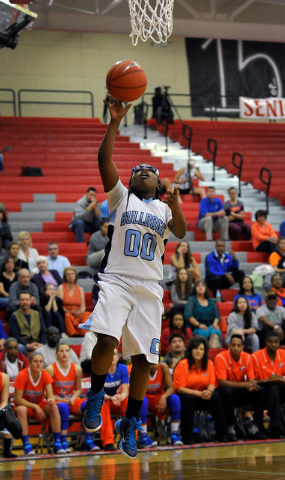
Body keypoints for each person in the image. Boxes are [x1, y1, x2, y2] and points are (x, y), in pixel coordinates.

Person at [79, 95, 187, 460]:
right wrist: (115, 120)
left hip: (149, 289)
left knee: (144, 361)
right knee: (107, 339)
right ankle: (95, 395)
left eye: (150, 169)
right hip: (117, 280)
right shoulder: (121, 198)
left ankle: (131, 421)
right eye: (137, 167)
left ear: (158, 184)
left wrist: (175, 206)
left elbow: (183, 233)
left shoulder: (163, 205)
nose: (142, 168)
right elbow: (103, 159)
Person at [46, 343, 99, 453]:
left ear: (70, 353)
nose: (64, 353)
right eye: (61, 351)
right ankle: (63, 441)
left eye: (66, 350)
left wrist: (73, 398)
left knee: (90, 406)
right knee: (64, 407)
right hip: (57, 400)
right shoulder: (50, 369)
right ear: (56, 354)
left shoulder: (77, 369)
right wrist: (61, 400)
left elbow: (78, 389)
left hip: (71, 399)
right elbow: (46, 393)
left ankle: (89, 440)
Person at [173, 336, 227, 444]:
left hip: (203, 396)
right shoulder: (182, 364)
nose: (198, 351)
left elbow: (211, 384)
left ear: (204, 352)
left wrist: (209, 392)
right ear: (190, 350)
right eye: (196, 348)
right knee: (187, 400)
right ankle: (186, 437)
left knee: (216, 397)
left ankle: (222, 435)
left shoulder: (209, 364)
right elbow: (180, 388)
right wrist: (198, 393)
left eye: (201, 349)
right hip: (188, 396)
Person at [215, 334, 266, 441]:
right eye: (233, 345)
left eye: (238, 345)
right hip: (225, 392)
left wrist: (252, 385)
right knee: (227, 391)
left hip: (240, 391)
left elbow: (251, 379)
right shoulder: (220, 357)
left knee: (260, 391)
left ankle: (255, 427)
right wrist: (244, 385)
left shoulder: (247, 357)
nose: (236, 348)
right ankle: (231, 428)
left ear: (242, 347)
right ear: (229, 346)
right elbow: (222, 382)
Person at [14, 351, 65, 455]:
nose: (38, 364)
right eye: (36, 361)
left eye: (41, 361)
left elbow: (50, 396)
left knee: (54, 407)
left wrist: (51, 400)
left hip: (39, 405)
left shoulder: (45, 374)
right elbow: (17, 399)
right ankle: (26, 445)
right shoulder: (22, 375)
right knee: (21, 409)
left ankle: (57, 443)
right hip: (25, 405)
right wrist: (35, 406)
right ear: (30, 363)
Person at [138, 362, 183, 447]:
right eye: (151, 363)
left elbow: (171, 388)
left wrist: (164, 397)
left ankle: (175, 434)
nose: (154, 365)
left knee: (175, 399)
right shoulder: (139, 368)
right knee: (142, 401)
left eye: (156, 362)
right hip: (145, 397)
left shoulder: (163, 366)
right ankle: (143, 435)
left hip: (159, 397)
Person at [252, 331, 285, 438]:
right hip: (262, 389)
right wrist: (268, 380)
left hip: (280, 387)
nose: (273, 345)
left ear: (279, 342)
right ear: (266, 342)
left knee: (275, 388)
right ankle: (276, 428)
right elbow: (253, 381)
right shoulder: (256, 356)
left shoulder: (283, 354)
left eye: (276, 342)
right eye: (270, 342)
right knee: (273, 388)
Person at [99, 348, 129, 451]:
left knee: (128, 402)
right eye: (109, 354)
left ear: (118, 356)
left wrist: (121, 397)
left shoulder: (123, 368)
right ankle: (108, 442)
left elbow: (125, 390)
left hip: (115, 400)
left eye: (114, 354)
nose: (112, 356)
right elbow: (98, 393)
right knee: (102, 403)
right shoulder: (99, 368)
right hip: (103, 399)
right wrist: (111, 398)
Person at [184, 280, 222, 345]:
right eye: (198, 286)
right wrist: (199, 325)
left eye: (202, 286)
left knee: (216, 331)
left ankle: (214, 352)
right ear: (195, 288)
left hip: (210, 326)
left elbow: (217, 315)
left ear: (206, 288)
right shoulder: (192, 299)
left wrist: (215, 323)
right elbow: (188, 315)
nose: (200, 287)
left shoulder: (210, 300)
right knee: (203, 332)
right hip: (196, 327)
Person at [57, 267, 91, 337]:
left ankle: (84, 333)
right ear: (65, 277)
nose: (70, 276)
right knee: (67, 316)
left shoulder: (80, 289)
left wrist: (79, 312)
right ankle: (73, 334)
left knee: (88, 315)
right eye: (68, 274)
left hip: (78, 312)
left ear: (75, 276)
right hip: (67, 312)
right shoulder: (61, 287)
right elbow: (59, 306)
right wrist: (69, 312)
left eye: (72, 274)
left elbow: (83, 307)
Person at [0, 372, 22, 458]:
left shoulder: (4, 377)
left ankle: (7, 452)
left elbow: (4, 401)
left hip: (0, 410)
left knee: (6, 411)